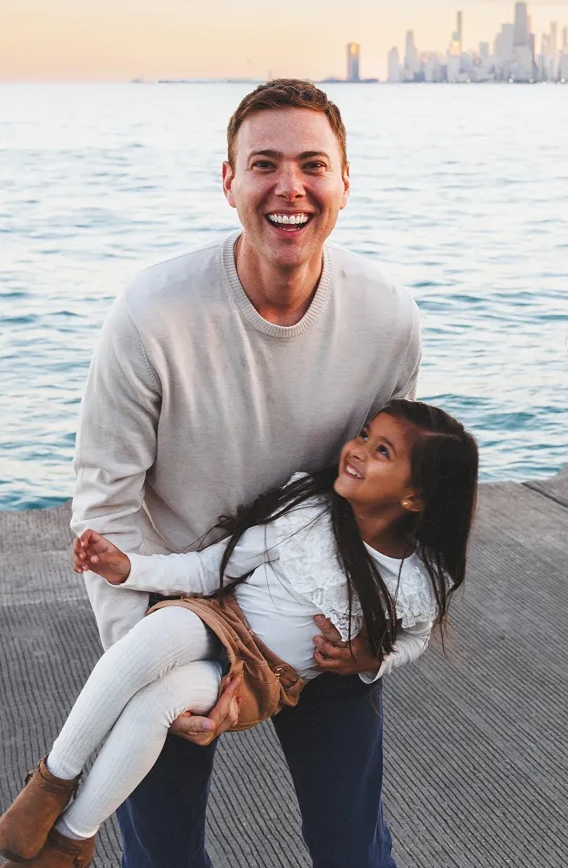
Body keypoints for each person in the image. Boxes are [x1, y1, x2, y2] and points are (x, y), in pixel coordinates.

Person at [69, 79, 422, 868]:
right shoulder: (153, 313)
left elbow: (393, 507)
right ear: (227, 180)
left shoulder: (388, 314)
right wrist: (141, 651)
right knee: (163, 857)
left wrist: (377, 645)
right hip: (176, 611)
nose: (289, 188)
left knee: (354, 850)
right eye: (264, 164)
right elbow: (106, 504)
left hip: (317, 609)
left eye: (312, 165)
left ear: (344, 182)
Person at [0, 401, 478, 868]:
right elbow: (208, 570)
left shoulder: (414, 581)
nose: (357, 448)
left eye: (382, 452)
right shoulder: (305, 513)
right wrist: (125, 568)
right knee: (160, 627)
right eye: (366, 435)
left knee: (161, 701)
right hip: (221, 619)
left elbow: (413, 639)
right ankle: (53, 779)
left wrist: (372, 659)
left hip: (264, 679)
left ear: (414, 497)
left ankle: (70, 841)